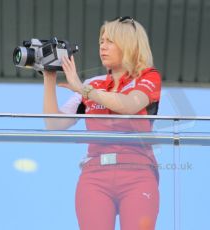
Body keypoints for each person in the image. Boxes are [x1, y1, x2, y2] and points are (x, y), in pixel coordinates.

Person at [42, 16, 161, 230]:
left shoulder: (148, 77)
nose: (102, 47)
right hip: (94, 174)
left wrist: (82, 89)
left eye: (109, 41)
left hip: (138, 172)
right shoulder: (92, 83)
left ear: (129, 44)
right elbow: (54, 124)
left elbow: (128, 105)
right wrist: (49, 78)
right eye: (101, 42)